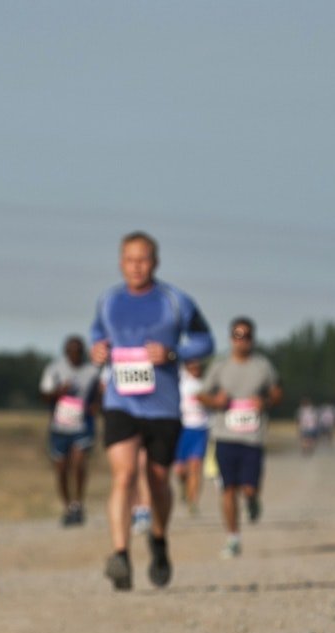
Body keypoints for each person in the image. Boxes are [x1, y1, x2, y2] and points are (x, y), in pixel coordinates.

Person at [89, 231, 214, 590]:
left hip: (162, 407)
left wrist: (174, 353)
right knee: (124, 475)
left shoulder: (176, 301)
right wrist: (98, 351)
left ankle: (158, 541)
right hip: (121, 402)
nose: (136, 266)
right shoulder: (109, 301)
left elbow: (205, 341)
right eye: (129, 259)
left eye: (143, 260)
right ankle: (121, 555)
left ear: (155, 263)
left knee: (158, 480)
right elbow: (97, 335)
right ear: (120, 262)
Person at [199, 317, 282, 558]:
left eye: (246, 336)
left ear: (252, 339)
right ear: (230, 338)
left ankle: (253, 499)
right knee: (228, 489)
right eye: (237, 335)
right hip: (224, 436)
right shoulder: (220, 366)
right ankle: (233, 537)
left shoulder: (262, 366)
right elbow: (201, 394)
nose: (242, 340)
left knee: (248, 488)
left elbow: (277, 391)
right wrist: (215, 401)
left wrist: (265, 401)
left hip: (252, 438)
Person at [39, 335, 101, 525]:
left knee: (79, 464)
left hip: (82, 426)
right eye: (72, 351)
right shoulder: (54, 369)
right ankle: (67, 506)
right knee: (61, 469)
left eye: (79, 352)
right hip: (59, 427)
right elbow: (44, 395)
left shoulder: (92, 371)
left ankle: (78, 503)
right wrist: (59, 392)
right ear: (66, 352)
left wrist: (96, 406)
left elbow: (101, 393)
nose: (75, 355)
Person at [173, 359, 211, 514]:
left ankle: (193, 501)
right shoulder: (180, 379)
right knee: (180, 470)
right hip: (181, 428)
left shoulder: (207, 383)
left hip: (200, 429)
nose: (195, 367)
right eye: (192, 364)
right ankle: (184, 486)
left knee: (195, 466)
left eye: (198, 364)